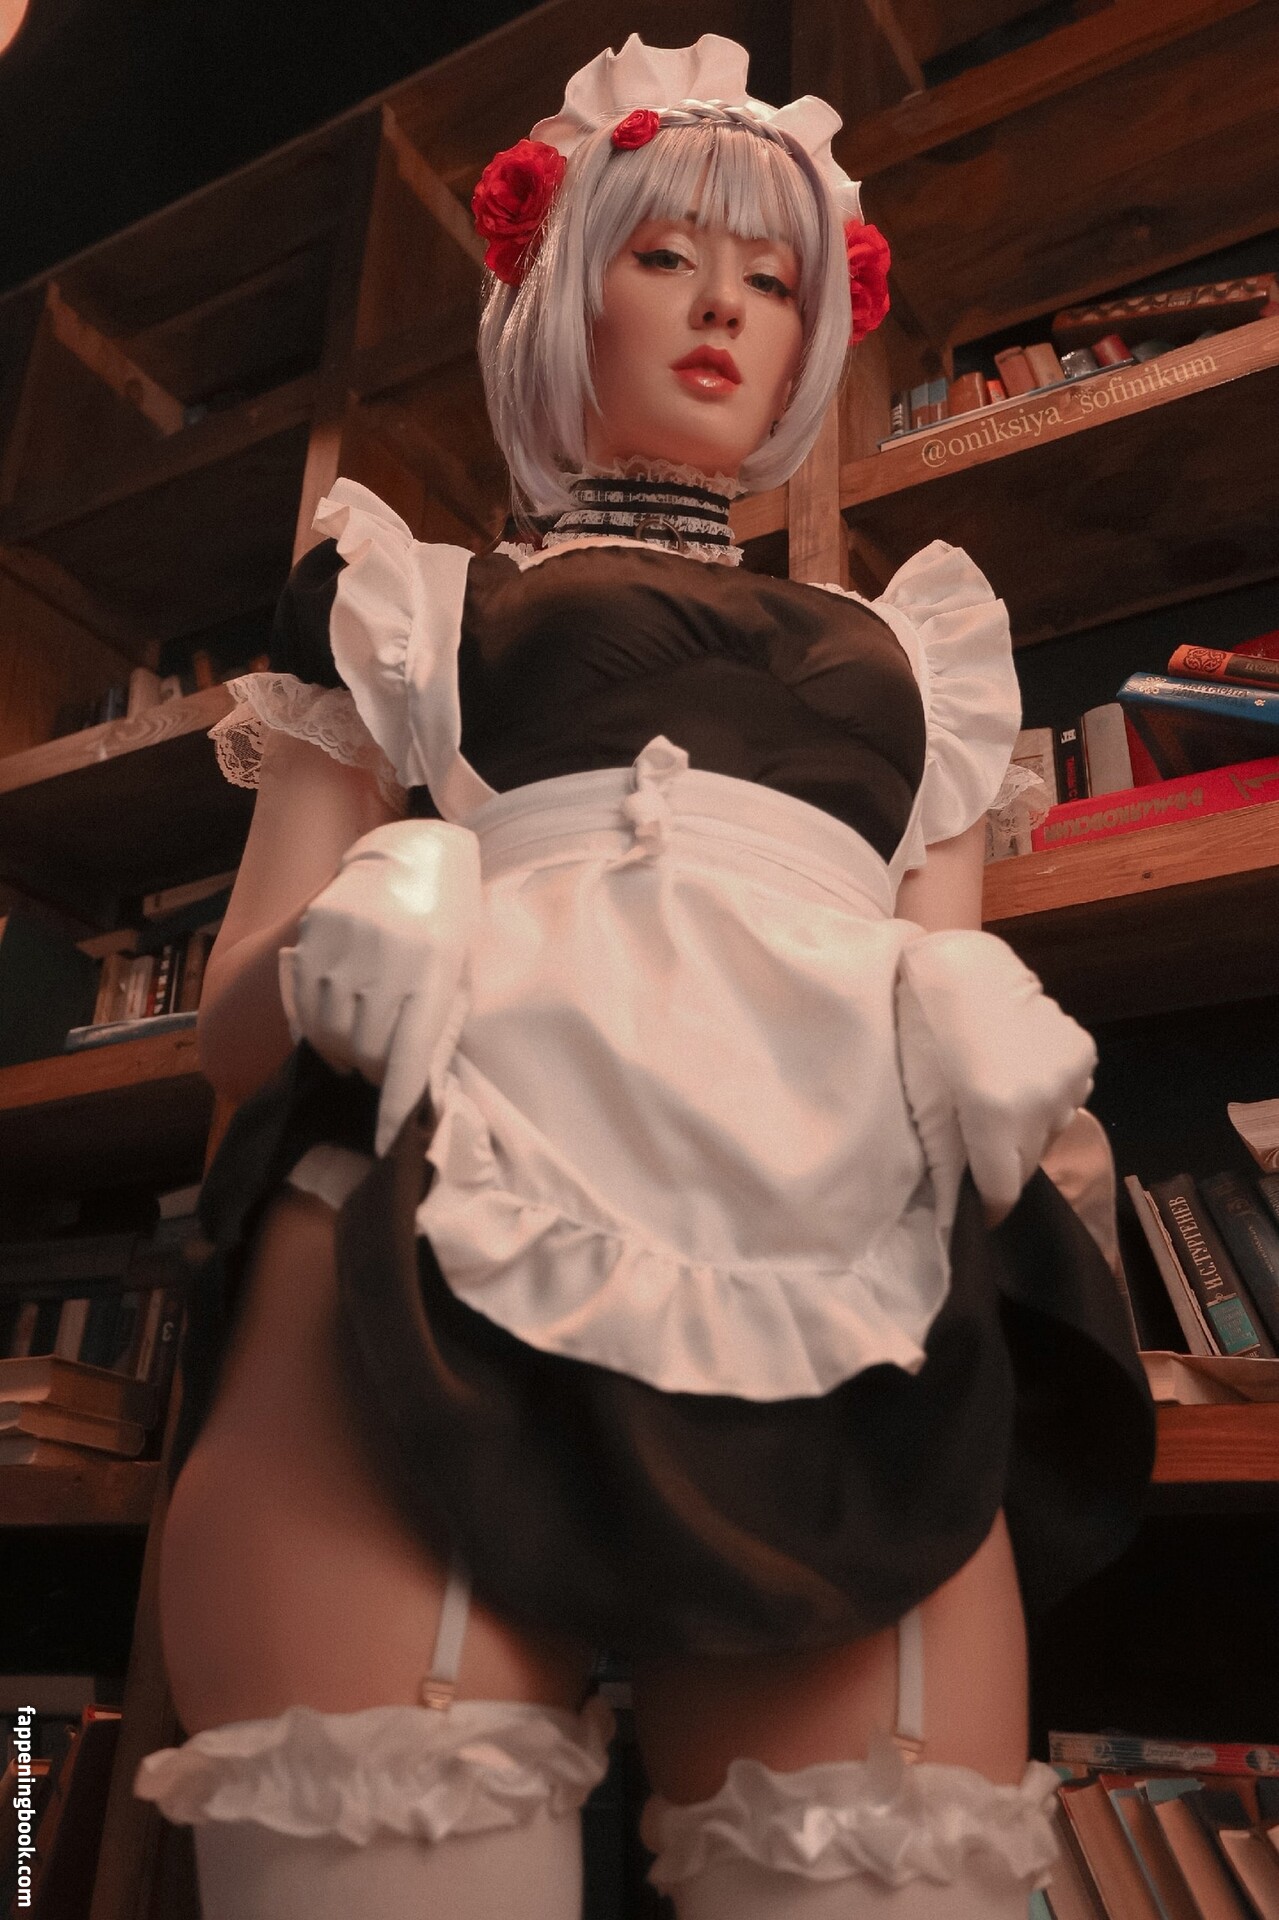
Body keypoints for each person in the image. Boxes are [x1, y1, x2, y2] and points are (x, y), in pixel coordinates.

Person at [135, 34, 1154, 1918]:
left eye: (773, 275)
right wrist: (370, 923)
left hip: (849, 1288)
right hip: (417, 1254)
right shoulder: (404, 597)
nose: (723, 306)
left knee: (882, 1874)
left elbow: (956, 978)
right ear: (559, 286)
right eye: (664, 253)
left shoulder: (919, 659)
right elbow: (234, 1033)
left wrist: (995, 1050)